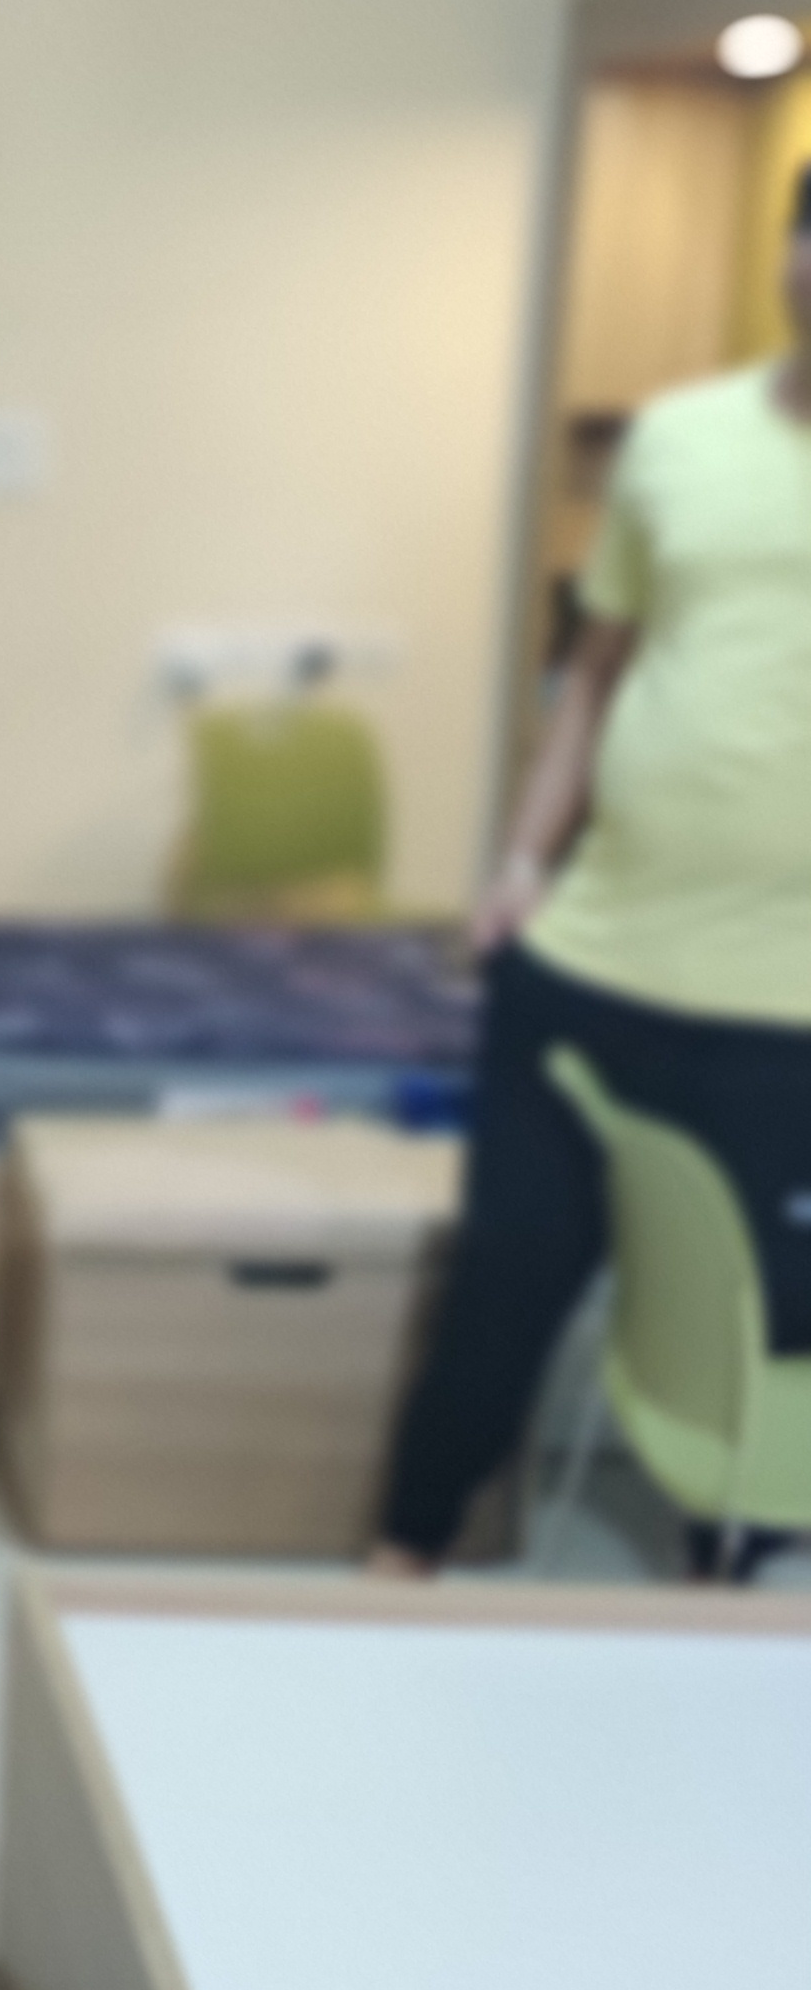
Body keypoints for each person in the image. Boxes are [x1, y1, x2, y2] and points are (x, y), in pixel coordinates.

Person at [375, 160, 811, 1569]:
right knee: (503, 1286)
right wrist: (520, 864)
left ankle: (723, 1605)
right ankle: (406, 1552)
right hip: (590, 966)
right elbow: (598, 675)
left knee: (752, 1342)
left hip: (785, 1018)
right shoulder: (681, 442)